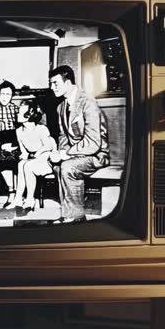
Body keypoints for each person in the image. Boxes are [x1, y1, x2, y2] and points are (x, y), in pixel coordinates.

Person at [46, 65, 108, 222]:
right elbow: (63, 136)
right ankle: (69, 214)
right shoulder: (61, 107)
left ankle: (76, 217)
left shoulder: (88, 102)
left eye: (55, 83)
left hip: (96, 154)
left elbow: (93, 142)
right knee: (59, 167)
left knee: (68, 167)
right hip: (76, 154)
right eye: (51, 84)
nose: (52, 87)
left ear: (67, 83)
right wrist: (60, 153)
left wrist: (65, 154)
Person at [12, 100, 56, 211]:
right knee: (21, 164)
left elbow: (48, 146)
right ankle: (17, 198)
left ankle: (30, 199)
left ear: (30, 114)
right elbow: (24, 151)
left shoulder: (41, 129)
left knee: (27, 166)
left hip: (46, 159)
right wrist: (24, 155)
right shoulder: (18, 131)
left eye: (20, 112)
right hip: (33, 159)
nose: (17, 114)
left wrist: (36, 154)